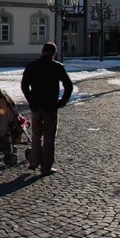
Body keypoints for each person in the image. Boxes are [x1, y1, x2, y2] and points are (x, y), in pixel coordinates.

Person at [21, 42, 75, 175]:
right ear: (54, 53)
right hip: (51, 106)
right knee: (49, 136)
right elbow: (68, 85)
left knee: (36, 134)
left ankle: (34, 161)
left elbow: (24, 85)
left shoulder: (32, 66)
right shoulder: (57, 67)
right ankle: (46, 167)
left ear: (42, 51)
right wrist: (62, 102)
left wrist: (31, 100)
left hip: (36, 105)